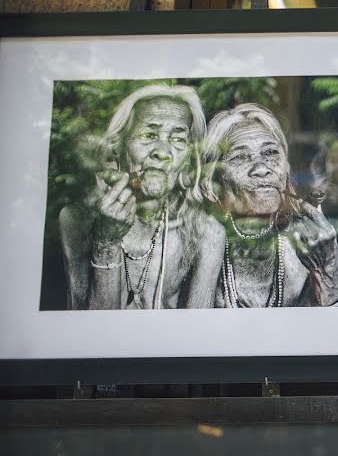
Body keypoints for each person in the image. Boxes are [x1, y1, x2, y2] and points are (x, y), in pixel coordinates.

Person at [59, 84, 225, 309]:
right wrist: (107, 243)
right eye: (149, 134)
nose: (163, 152)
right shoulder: (75, 219)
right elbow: (88, 329)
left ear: (187, 160)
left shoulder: (206, 232)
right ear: (117, 148)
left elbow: (197, 334)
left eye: (178, 139)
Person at [201, 104, 338, 308]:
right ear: (212, 183)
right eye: (240, 157)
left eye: (269, 153)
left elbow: (334, 334)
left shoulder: (306, 253)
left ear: (286, 170)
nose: (261, 169)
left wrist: (326, 272)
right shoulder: (198, 248)